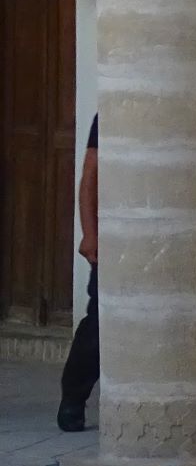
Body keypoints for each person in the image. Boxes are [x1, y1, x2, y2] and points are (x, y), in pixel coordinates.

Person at [56, 116, 96, 432]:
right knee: (99, 322)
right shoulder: (107, 117)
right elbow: (91, 175)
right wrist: (90, 233)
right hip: (115, 234)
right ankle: (73, 398)